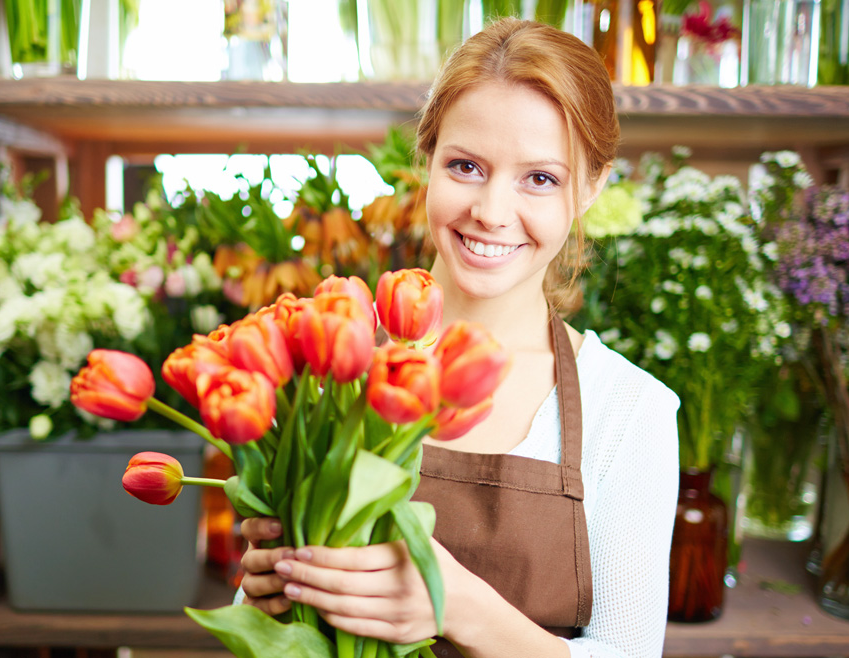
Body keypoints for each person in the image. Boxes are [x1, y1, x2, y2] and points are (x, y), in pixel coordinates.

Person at [238, 17, 680, 658]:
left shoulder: (629, 412)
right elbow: (260, 621)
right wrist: (263, 598)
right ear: (427, 160)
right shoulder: (332, 361)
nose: (492, 212)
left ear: (591, 187)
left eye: (541, 178)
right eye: (467, 166)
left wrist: (454, 606)